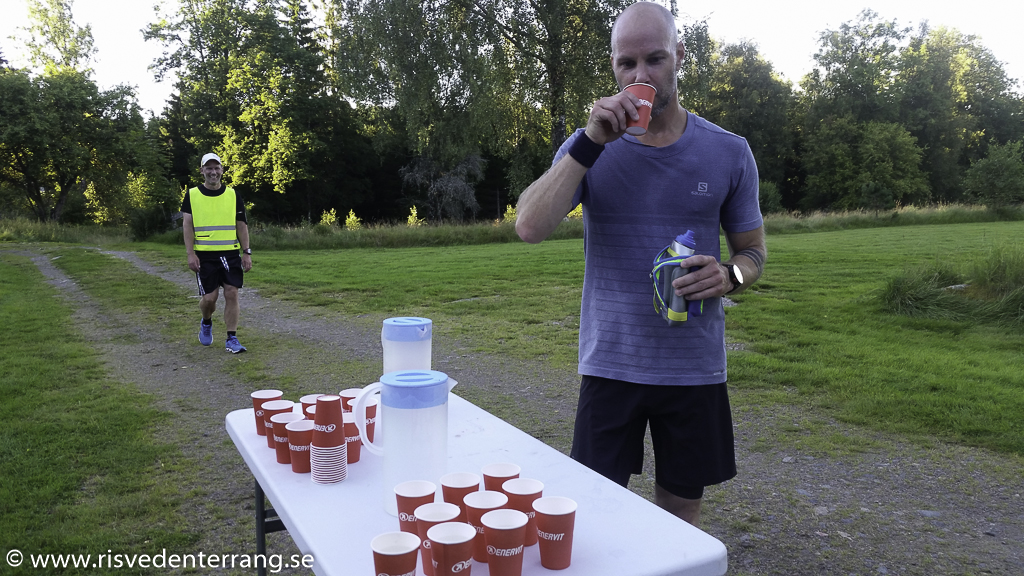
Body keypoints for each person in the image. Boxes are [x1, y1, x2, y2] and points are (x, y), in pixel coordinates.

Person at [515, 1, 766, 526]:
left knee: (679, 511)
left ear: (680, 56)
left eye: (654, 59)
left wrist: (730, 275)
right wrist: (590, 142)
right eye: (626, 63)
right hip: (611, 363)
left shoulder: (728, 151)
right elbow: (529, 227)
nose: (640, 76)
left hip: (692, 368)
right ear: (613, 66)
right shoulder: (589, 146)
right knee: (597, 510)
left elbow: (753, 254)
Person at [181, 152, 253, 354]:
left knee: (232, 292)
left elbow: (241, 225)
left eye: (216, 168)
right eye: (209, 168)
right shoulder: (192, 194)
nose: (213, 172)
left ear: (222, 170)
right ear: (202, 170)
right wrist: (190, 254)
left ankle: (232, 338)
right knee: (209, 299)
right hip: (205, 256)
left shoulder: (233, 195)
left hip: (230, 254)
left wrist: (246, 252)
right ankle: (206, 321)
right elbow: (187, 225)